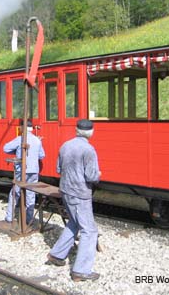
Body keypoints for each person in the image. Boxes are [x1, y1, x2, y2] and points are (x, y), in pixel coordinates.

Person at [47, 119, 101, 282]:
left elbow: (58, 169)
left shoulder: (65, 145)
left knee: (74, 223)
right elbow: (91, 176)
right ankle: (80, 271)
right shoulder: (89, 150)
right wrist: (98, 174)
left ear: (77, 130)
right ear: (91, 132)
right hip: (79, 193)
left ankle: (56, 255)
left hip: (65, 190)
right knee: (89, 230)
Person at [3, 120, 45, 224]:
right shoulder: (37, 140)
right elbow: (42, 155)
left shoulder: (20, 139)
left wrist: (16, 151)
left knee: (15, 193)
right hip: (34, 171)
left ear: (22, 127)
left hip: (22, 170)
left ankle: (9, 217)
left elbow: (6, 148)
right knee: (30, 194)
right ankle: (29, 219)